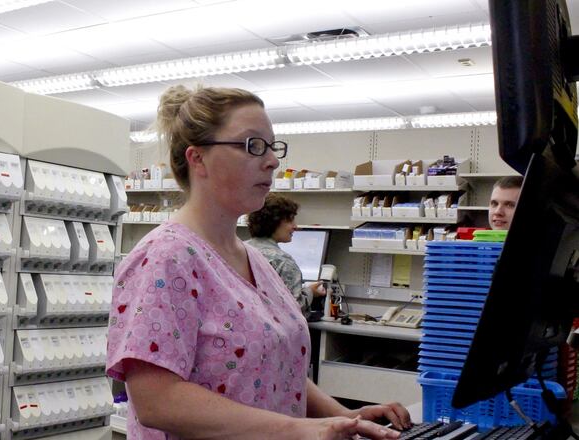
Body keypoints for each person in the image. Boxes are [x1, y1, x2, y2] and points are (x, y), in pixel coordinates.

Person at [106, 84, 411, 440]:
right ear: (197, 158)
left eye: (272, 146)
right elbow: (157, 401)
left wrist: (345, 418)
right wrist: (296, 430)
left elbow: (277, 368)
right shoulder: (165, 258)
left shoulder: (254, 259)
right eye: (253, 145)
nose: (272, 160)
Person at [245, 194, 327, 318]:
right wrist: (310, 292)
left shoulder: (238, 249)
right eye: (290, 220)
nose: (295, 226)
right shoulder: (282, 261)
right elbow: (294, 308)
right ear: (273, 222)